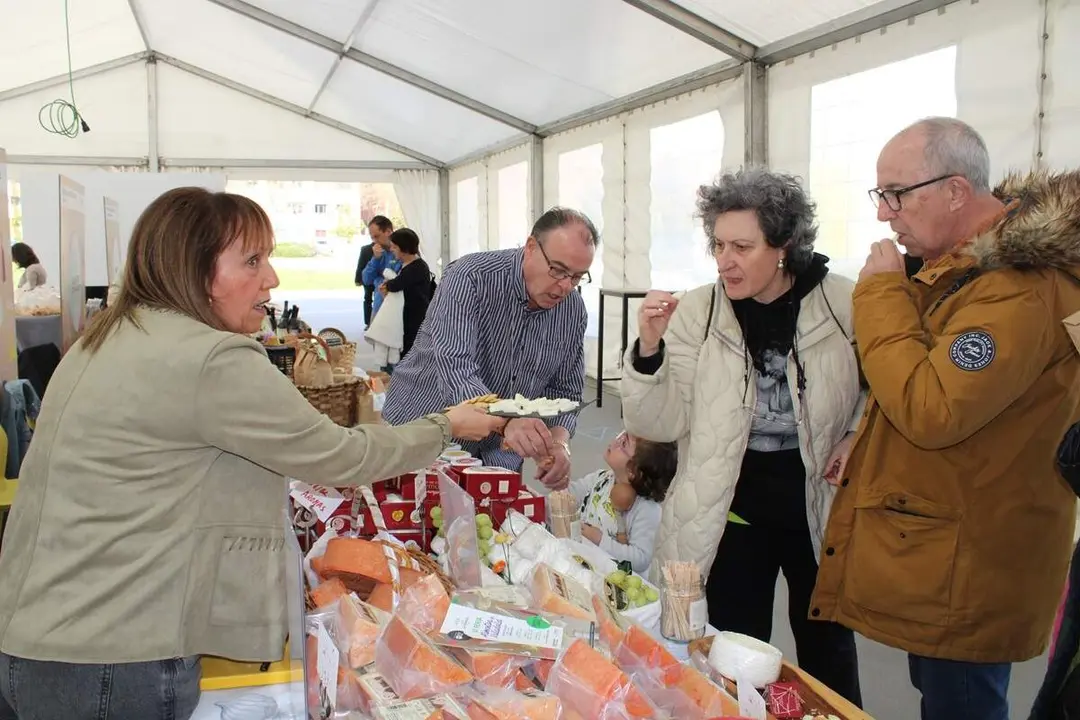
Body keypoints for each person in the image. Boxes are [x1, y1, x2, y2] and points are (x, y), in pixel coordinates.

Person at [0, 187, 501, 720]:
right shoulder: (209, 358)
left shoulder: (108, 336)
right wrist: (446, 425)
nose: (272, 279)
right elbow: (340, 456)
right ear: (196, 271)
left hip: (41, 634)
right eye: (253, 260)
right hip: (114, 655)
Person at [810, 117, 1080, 720]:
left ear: (956, 191)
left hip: (973, 560)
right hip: (952, 544)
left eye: (896, 194)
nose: (886, 214)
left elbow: (931, 407)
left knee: (961, 702)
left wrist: (882, 294)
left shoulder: (1016, 289)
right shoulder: (972, 272)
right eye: (880, 196)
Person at [621, 168, 864, 705]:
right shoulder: (699, 313)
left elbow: (884, 391)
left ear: (784, 245)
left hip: (817, 510)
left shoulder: (845, 306)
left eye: (742, 246)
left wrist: (855, 436)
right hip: (728, 513)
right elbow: (656, 424)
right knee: (732, 653)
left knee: (829, 657)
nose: (724, 260)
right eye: (717, 244)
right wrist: (649, 350)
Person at [382, 207, 597, 490]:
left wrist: (559, 442)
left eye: (578, 277)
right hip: (424, 433)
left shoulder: (572, 310)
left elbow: (564, 392)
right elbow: (455, 367)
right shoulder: (470, 277)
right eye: (558, 270)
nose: (565, 286)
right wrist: (505, 422)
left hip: (500, 457)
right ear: (531, 247)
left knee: (494, 531)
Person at [569, 431, 677, 574]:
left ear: (633, 471)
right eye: (621, 434)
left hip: (614, 582)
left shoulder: (647, 509)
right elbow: (570, 496)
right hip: (585, 564)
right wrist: (556, 484)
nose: (615, 440)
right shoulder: (602, 478)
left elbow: (641, 559)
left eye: (623, 443)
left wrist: (600, 540)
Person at [379, 228, 432, 361]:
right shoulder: (405, 265)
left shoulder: (417, 267)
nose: (391, 249)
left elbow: (395, 285)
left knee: (410, 357)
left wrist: (387, 286)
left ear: (405, 248)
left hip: (414, 322)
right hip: (406, 321)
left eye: (395, 247)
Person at [361, 216, 401, 321]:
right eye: (372, 238)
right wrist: (375, 259)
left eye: (377, 236)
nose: (375, 241)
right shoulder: (376, 253)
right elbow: (366, 279)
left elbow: (398, 278)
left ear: (388, 231)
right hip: (379, 307)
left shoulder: (402, 250)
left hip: (398, 309)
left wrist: (380, 280)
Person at [355, 236, 375, 329]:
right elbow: (360, 264)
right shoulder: (365, 249)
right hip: (368, 278)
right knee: (367, 299)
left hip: (381, 278)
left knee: (379, 301)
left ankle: (376, 321)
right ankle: (368, 323)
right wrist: (358, 279)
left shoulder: (386, 249)